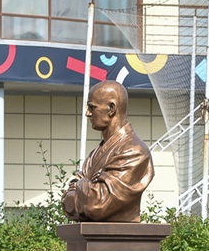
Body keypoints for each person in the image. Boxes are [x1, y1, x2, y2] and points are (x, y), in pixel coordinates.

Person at [62, 81, 154, 222]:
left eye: (92, 108)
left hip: (118, 238)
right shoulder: (95, 154)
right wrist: (88, 188)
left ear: (111, 108)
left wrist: (80, 184)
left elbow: (97, 204)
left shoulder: (134, 151)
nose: (88, 113)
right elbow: (67, 202)